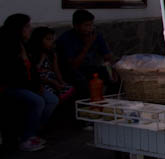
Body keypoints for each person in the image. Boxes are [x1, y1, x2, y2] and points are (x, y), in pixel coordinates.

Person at [0, 14, 58, 151]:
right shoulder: (7, 47)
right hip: (10, 86)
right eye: (26, 26)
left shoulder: (24, 45)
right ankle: (26, 138)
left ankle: (33, 131)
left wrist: (38, 85)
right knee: (37, 101)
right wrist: (33, 87)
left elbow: (32, 70)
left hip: (27, 85)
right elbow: (11, 75)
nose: (30, 29)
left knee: (52, 100)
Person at [57, 9, 116, 98]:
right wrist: (87, 46)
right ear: (76, 26)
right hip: (71, 72)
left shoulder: (95, 35)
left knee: (112, 77)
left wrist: (113, 70)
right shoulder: (66, 39)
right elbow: (73, 66)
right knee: (82, 82)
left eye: (91, 25)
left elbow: (107, 56)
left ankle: (108, 103)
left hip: (90, 68)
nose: (90, 28)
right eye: (86, 25)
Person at [29, 27, 74, 102]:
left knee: (68, 89)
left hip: (52, 79)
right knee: (52, 93)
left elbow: (56, 70)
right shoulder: (33, 54)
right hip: (41, 81)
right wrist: (42, 58)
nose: (52, 42)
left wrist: (61, 81)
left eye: (53, 39)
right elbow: (35, 71)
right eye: (48, 39)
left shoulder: (52, 54)